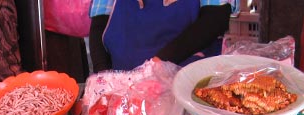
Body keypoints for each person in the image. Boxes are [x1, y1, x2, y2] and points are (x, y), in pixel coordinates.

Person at [89, 0, 232, 72]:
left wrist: (158, 63)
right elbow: (98, 27)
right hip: (123, 85)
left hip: (188, 85)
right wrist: (103, 77)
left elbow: (216, 19)